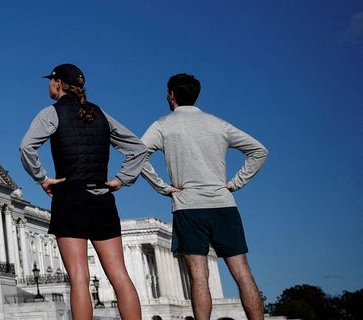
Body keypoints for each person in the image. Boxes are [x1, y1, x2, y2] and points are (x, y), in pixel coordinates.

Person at [20, 63, 147, 320]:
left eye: (50, 81)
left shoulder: (51, 113)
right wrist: (122, 179)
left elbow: (26, 148)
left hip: (70, 200)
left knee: (79, 279)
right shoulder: (100, 114)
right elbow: (139, 148)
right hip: (102, 200)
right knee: (120, 276)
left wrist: (42, 178)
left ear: (57, 83)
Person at [140, 73, 268, 320]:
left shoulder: (162, 125)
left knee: (199, 276)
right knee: (242, 271)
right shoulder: (218, 124)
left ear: (171, 96)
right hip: (223, 204)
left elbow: (137, 155)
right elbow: (259, 151)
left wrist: (162, 187)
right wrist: (235, 184)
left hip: (187, 206)